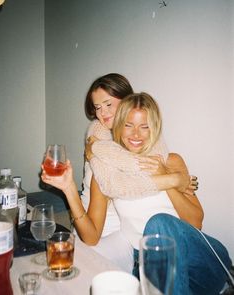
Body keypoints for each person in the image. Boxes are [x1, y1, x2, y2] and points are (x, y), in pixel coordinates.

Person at [42, 92, 232, 295]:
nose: (136, 134)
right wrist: (69, 188)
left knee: (159, 223)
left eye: (144, 126)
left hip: (202, 263)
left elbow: (195, 221)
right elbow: (91, 238)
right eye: (129, 125)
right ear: (119, 125)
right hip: (153, 267)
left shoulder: (171, 161)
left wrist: (164, 178)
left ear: (155, 128)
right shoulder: (108, 174)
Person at [79, 73, 196, 272]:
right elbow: (117, 184)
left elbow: (152, 158)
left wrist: (170, 176)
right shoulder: (97, 135)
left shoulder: (154, 145)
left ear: (126, 102)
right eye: (97, 107)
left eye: (108, 104)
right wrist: (174, 179)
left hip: (120, 232)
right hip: (98, 227)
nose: (102, 113)